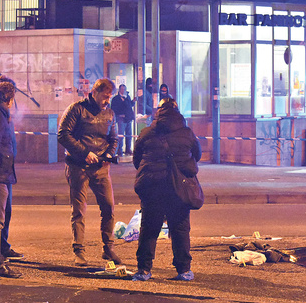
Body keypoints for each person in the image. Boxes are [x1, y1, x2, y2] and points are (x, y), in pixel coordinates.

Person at [132, 97, 201, 282]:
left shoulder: (146, 133)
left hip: (152, 187)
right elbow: (197, 154)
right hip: (178, 188)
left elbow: (137, 160)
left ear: (158, 112)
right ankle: (184, 270)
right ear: (177, 112)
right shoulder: (187, 133)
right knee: (179, 228)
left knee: (149, 229)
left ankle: (144, 270)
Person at [57, 78, 122, 267]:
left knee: (108, 207)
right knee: (79, 210)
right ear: (94, 93)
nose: (107, 100)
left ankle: (108, 248)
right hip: (78, 166)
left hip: (101, 168)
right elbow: (63, 134)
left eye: (109, 97)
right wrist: (85, 153)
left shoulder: (110, 113)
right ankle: (79, 251)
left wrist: (109, 154)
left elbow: (114, 139)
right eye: (105, 96)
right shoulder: (76, 109)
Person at [0, 75, 24, 263]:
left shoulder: (3, 114)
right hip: (0, 174)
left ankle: (2, 248)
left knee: (5, 213)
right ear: (9, 98)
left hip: (6, 171)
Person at [111, 84, 135, 156]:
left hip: (128, 118)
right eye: (122, 89)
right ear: (119, 90)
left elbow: (129, 106)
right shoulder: (116, 99)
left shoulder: (127, 97)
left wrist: (133, 101)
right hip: (121, 118)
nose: (123, 90)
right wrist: (119, 114)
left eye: (124, 89)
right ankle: (120, 150)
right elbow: (114, 108)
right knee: (121, 135)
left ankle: (128, 149)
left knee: (129, 135)